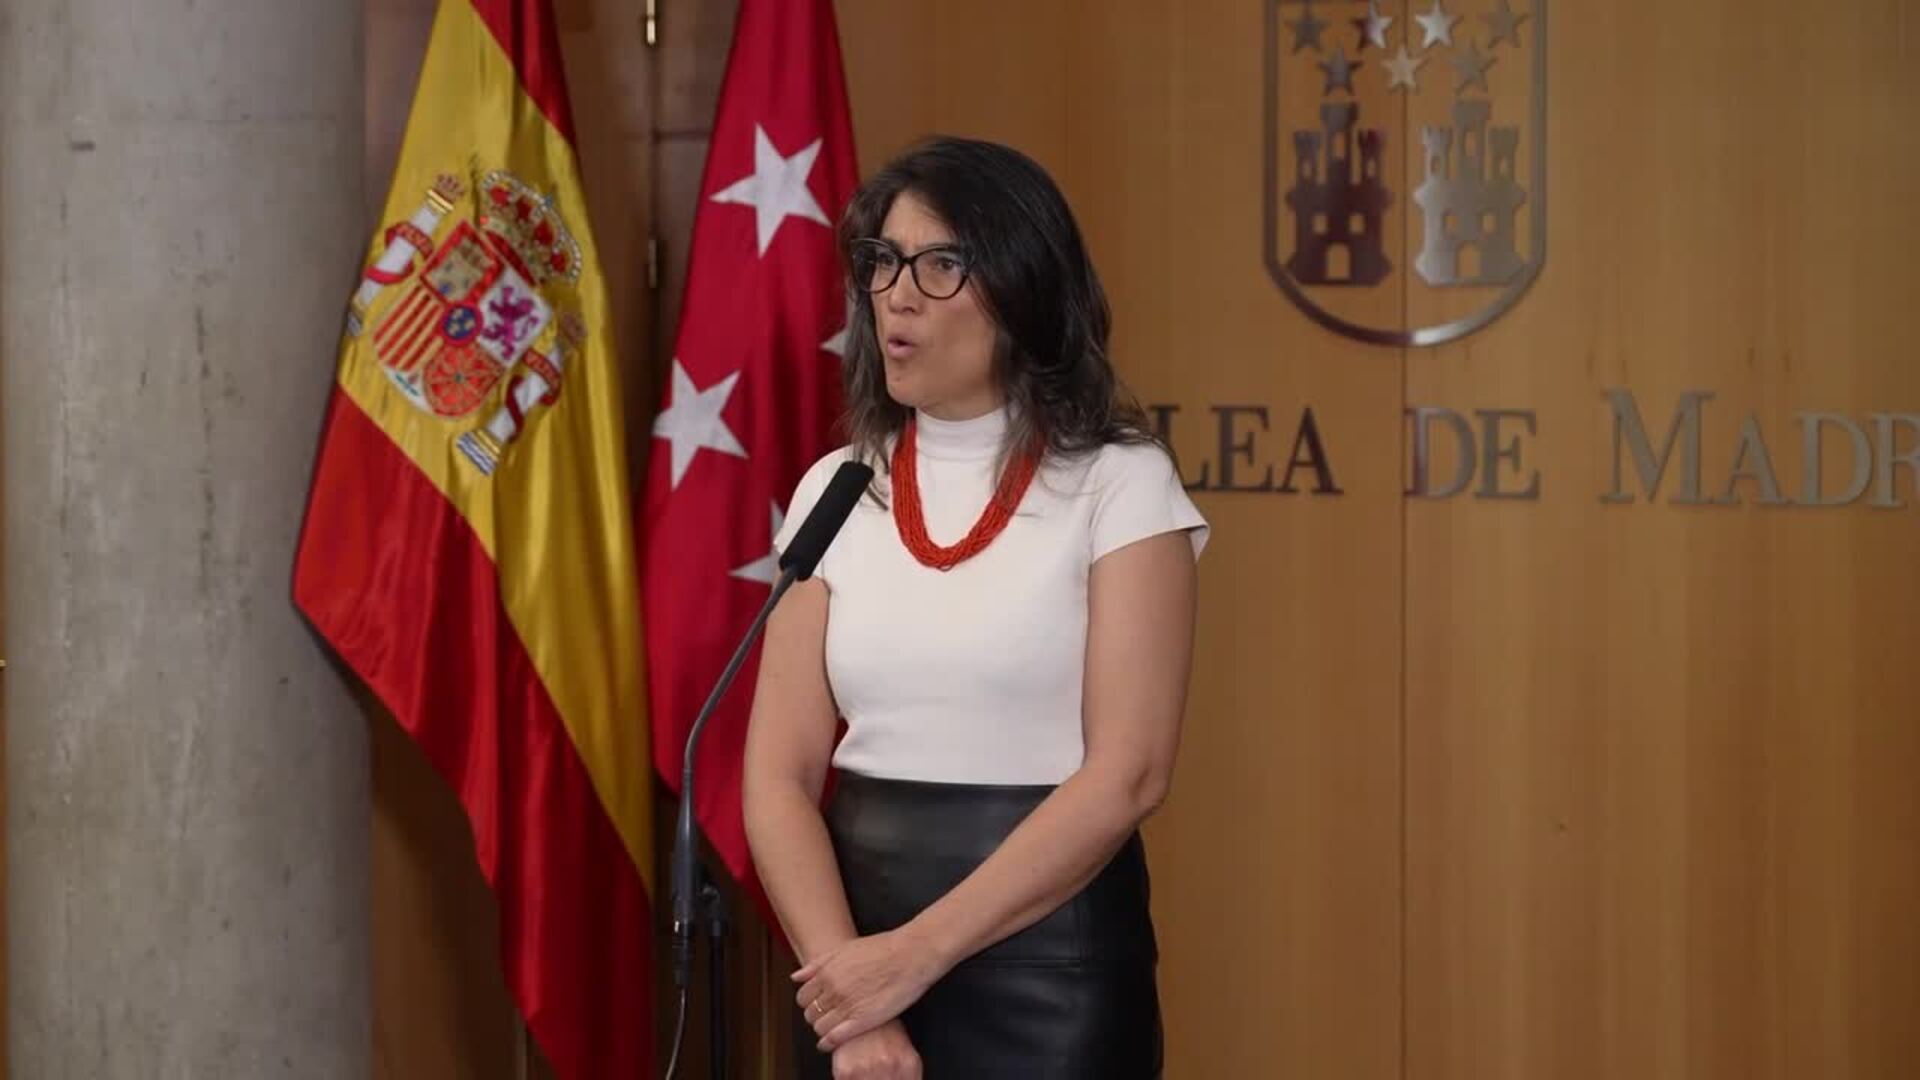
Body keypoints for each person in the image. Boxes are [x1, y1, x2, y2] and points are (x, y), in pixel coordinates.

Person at [742, 135, 1209, 1080]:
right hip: (850, 965)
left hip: (1049, 970)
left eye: (941, 265)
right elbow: (776, 779)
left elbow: (1130, 774)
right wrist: (852, 1001)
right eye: (883, 261)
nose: (897, 294)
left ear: (1023, 288)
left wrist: (912, 958)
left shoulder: (1120, 483)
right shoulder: (837, 486)